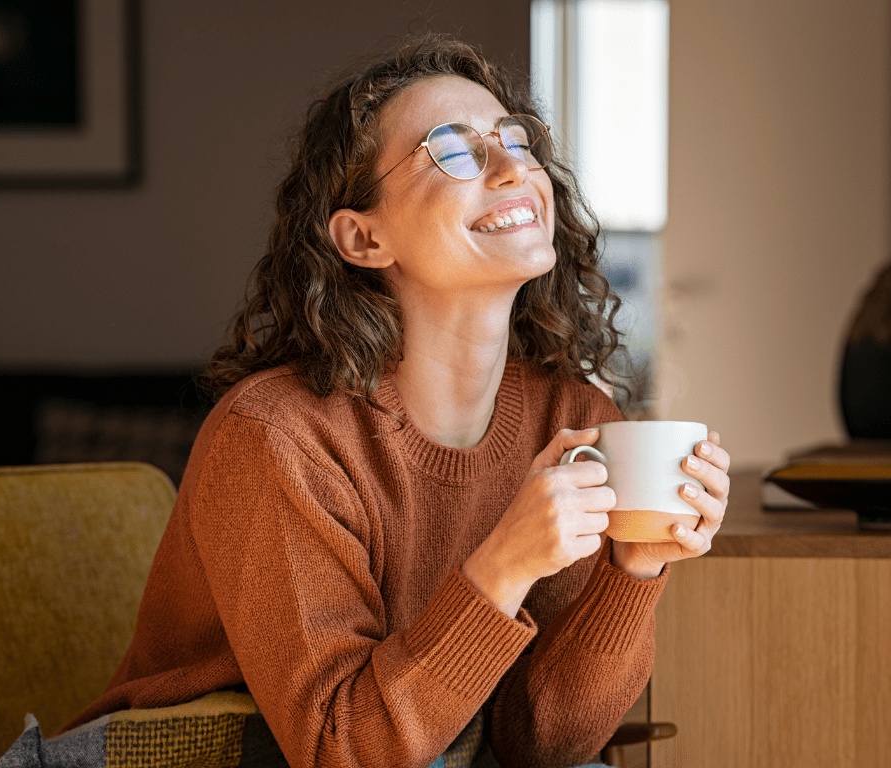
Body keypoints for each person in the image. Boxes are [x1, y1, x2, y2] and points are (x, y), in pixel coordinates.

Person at [63, 34, 731, 768]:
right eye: (452, 150)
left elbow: (539, 747)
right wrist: (501, 567)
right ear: (363, 237)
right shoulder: (275, 437)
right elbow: (338, 749)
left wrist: (632, 571)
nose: (513, 167)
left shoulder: (573, 422)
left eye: (518, 139)